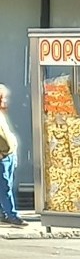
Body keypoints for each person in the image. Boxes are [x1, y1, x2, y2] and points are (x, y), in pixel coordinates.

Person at [0, 84, 26, 228]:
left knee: (6, 185)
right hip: (2, 157)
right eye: (4, 98)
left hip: (8, 155)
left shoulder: (1, 115)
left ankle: (3, 213)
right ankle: (12, 215)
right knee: (5, 187)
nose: (6, 102)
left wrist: (13, 151)